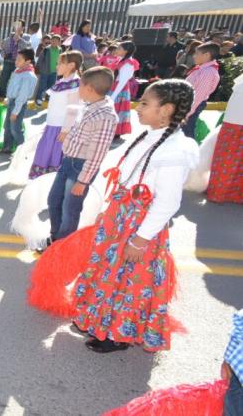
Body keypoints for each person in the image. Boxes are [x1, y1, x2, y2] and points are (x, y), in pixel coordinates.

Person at [54, 80, 197, 353]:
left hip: (138, 228)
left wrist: (140, 240)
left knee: (128, 282)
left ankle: (118, 335)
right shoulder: (152, 135)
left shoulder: (174, 151)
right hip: (121, 220)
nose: (138, 108)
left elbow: (167, 203)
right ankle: (97, 320)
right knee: (108, 274)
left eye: (145, 103)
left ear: (165, 109)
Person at [45, 67, 118, 246]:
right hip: (69, 162)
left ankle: (62, 247)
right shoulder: (90, 106)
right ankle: (56, 238)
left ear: (89, 88)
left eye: (80, 85)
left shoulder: (106, 116)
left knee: (70, 209)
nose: (78, 89)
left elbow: (97, 154)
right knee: (54, 200)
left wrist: (83, 181)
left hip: (81, 167)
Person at [29, 51, 83, 179]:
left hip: (61, 129)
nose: (57, 66)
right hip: (52, 126)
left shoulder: (75, 83)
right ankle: (41, 183)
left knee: (56, 158)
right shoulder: (62, 81)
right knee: (44, 155)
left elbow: (73, 110)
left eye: (60, 63)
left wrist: (65, 130)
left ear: (71, 65)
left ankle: (52, 184)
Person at [206, 72, 242, 204]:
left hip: (233, 123)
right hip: (235, 123)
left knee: (227, 159)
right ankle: (225, 193)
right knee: (229, 159)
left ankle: (219, 193)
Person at [0, 49, 37, 155]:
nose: (16, 61)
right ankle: (7, 147)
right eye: (16, 59)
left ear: (28, 61)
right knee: (7, 127)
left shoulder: (29, 76)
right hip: (12, 101)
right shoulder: (17, 71)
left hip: (18, 104)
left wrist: (15, 111)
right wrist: (8, 98)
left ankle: (22, 152)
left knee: (15, 129)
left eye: (19, 59)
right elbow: (11, 86)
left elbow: (22, 96)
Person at [183, 42, 220, 138]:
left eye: (196, 53)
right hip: (188, 104)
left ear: (207, 55)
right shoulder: (203, 69)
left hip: (191, 106)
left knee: (186, 134)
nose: (194, 56)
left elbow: (198, 96)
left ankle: (188, 152)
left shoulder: (208, 72)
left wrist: (186, 113)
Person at [108, 41, 139, 139]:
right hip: (115, 87)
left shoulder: (128, 64)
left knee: (117, 110)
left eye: (119, 48)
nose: (117, 50)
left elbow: (122, 82)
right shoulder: (122, 60)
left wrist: (112, 97)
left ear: (126, 51)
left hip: (119, 89)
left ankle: (115, 131)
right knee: (116, 110)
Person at [0, 19, 31, 100]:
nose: (17, 27)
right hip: (7, 61)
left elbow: (28, 47)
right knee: (4, 79)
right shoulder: (9, 37)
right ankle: (2, 95)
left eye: (19, 25)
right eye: (16, 25)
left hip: (19, 63)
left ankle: (13, 96)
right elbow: (3, 48)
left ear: (23, 27)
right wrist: (4, 52)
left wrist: (19, 39)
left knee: (16, 80)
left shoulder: (26, 37)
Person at [34, 35, 62, 105]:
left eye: (56, 41)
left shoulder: (60, 50)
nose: (54, 42)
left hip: (54, 71)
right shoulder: (46, 49)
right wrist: (38, 68)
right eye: (53, 40)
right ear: (51, 41)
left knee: (51, 86)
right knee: (42, 86)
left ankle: (48, 98)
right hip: (45, 71)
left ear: (59, 42)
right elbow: (40, 59)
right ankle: (38, 99)